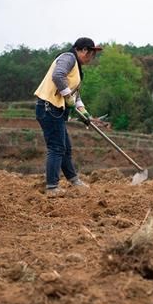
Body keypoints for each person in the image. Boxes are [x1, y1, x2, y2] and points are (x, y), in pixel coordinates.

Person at [34, 37, 102, 197]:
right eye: (92, 53)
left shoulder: (77, 69)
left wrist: (84, 112)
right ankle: (52, 187)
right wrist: (67, 96)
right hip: (48, 107)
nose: (92, 58)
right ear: (84, 50)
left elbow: (74, 96)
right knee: (56, 147)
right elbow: (58, 76)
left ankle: (73, 180)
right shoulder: (68, 58)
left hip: (56, 109)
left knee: (66, 148)